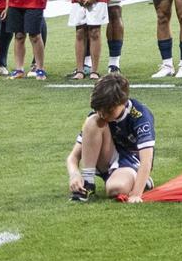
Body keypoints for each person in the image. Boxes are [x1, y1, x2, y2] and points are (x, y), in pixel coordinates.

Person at [66, 72, 155, 203]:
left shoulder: (140, 116)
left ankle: (141, 180)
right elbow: (73, 157)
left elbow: (146, 161)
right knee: (92, 121)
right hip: (109, 158)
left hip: (132, 161)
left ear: (123, 102)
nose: (102, 114)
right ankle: (88, 184)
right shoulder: (97, 115)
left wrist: (136, 194)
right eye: (99, 109)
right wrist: (74, 174)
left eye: (108, 110)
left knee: (115, 189)